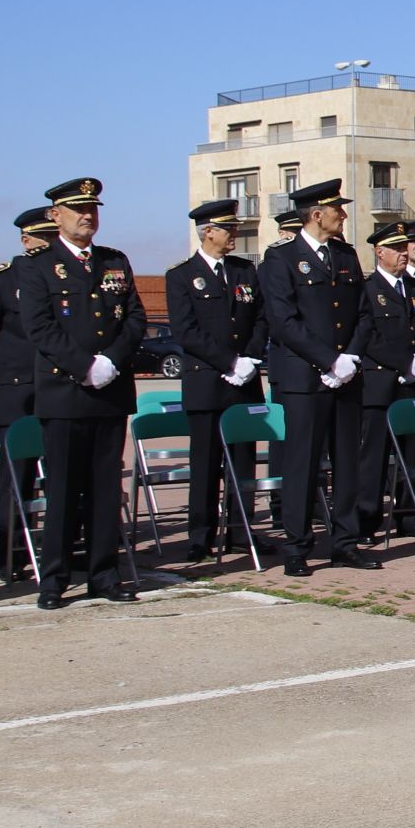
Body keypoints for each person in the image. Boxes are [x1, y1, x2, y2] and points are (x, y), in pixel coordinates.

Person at [19, 177, 143, 608]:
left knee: (105, 489)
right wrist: (85, 366)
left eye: (92, 209)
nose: (87, 216)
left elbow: (134, 318)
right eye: (77, 209)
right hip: (65, 392)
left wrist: (111, 360)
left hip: (109, 390)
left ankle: (103, 575)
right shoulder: (37, 266)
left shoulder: (115, 261)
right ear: (56, 216)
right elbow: (40, 328)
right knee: (64, 490)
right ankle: (53, 578)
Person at [258, 178, 368, 576]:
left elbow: (362, 312)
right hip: (305, 378)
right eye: (337, 208)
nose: (343, 214)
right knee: (302, 464)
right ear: (317, 214)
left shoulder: (345, 254)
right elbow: (283, 321)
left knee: (346, 464)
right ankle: (297, 547)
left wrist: (350, 356)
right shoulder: (281, 258)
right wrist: (327, 360)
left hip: (346, 376)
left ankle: (345, 543)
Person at [165, 199, 266, 562]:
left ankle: (241, 531)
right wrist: (229, 361)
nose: (234, 234)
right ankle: (200, 537)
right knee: (205, 465)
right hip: (207, 383)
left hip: (244, 381)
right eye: (228, 229)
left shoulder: (243, 271)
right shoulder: (180, 275)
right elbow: (186, 331)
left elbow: (261, 317)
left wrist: (250, 357)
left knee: (243, 463)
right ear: (208, 232)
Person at [0, 206, 59, 580]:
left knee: (61, 476)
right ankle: (11, 555)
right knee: (15, 479)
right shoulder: (1, 280)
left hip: (58, 388)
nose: (52, 244)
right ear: (26, 240)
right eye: (45, 238)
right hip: (18, 392)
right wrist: (11, 372)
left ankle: (61, 548)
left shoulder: (64, 274)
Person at [347, 219, 415, 553]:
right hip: (379, 384)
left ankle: (410, 513)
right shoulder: (368, 290)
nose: (404, 253)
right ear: (378, 252)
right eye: (397, 248)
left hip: (414, 381)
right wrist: (404, 362)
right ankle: (366, 519)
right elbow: (367, 335)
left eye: (405, 247)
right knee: (373, 457)